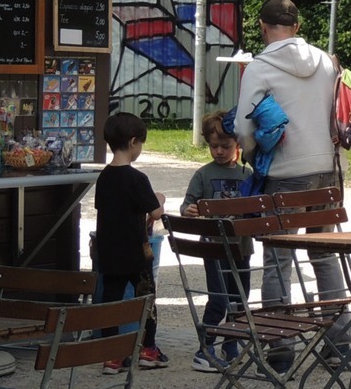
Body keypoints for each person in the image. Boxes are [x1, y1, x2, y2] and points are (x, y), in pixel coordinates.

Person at [235, 0, 351, 355]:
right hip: (329, 170)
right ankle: (339, 342)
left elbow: (242, 127)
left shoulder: (259, 66)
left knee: (277, 258)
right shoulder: (325, 61)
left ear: (262, 26)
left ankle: (280, 344)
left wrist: (257, 157)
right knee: (323, 253)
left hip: (286, 172)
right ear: (297, 27)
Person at [94, 111, 168, 371]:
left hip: (109, 250)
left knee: (110, 301)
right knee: (146, 299)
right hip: (137, 251)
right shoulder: (137, 179)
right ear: (134, 142)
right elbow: (156, 212)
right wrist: (160, 198)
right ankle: (148, 349)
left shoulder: (104, 177)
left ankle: (111, 355)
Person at [181, 111, 252, 372]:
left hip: (242, 247)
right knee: (218, 298)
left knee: (239, 299)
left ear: (238, 146)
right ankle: (206, 347)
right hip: (213, 246)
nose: (219, 151)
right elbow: (187, 204)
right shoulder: (202, 174)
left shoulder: (247, 174)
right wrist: (189, 210)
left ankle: (232, 343)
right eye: (214, 146)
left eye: (226, 146)